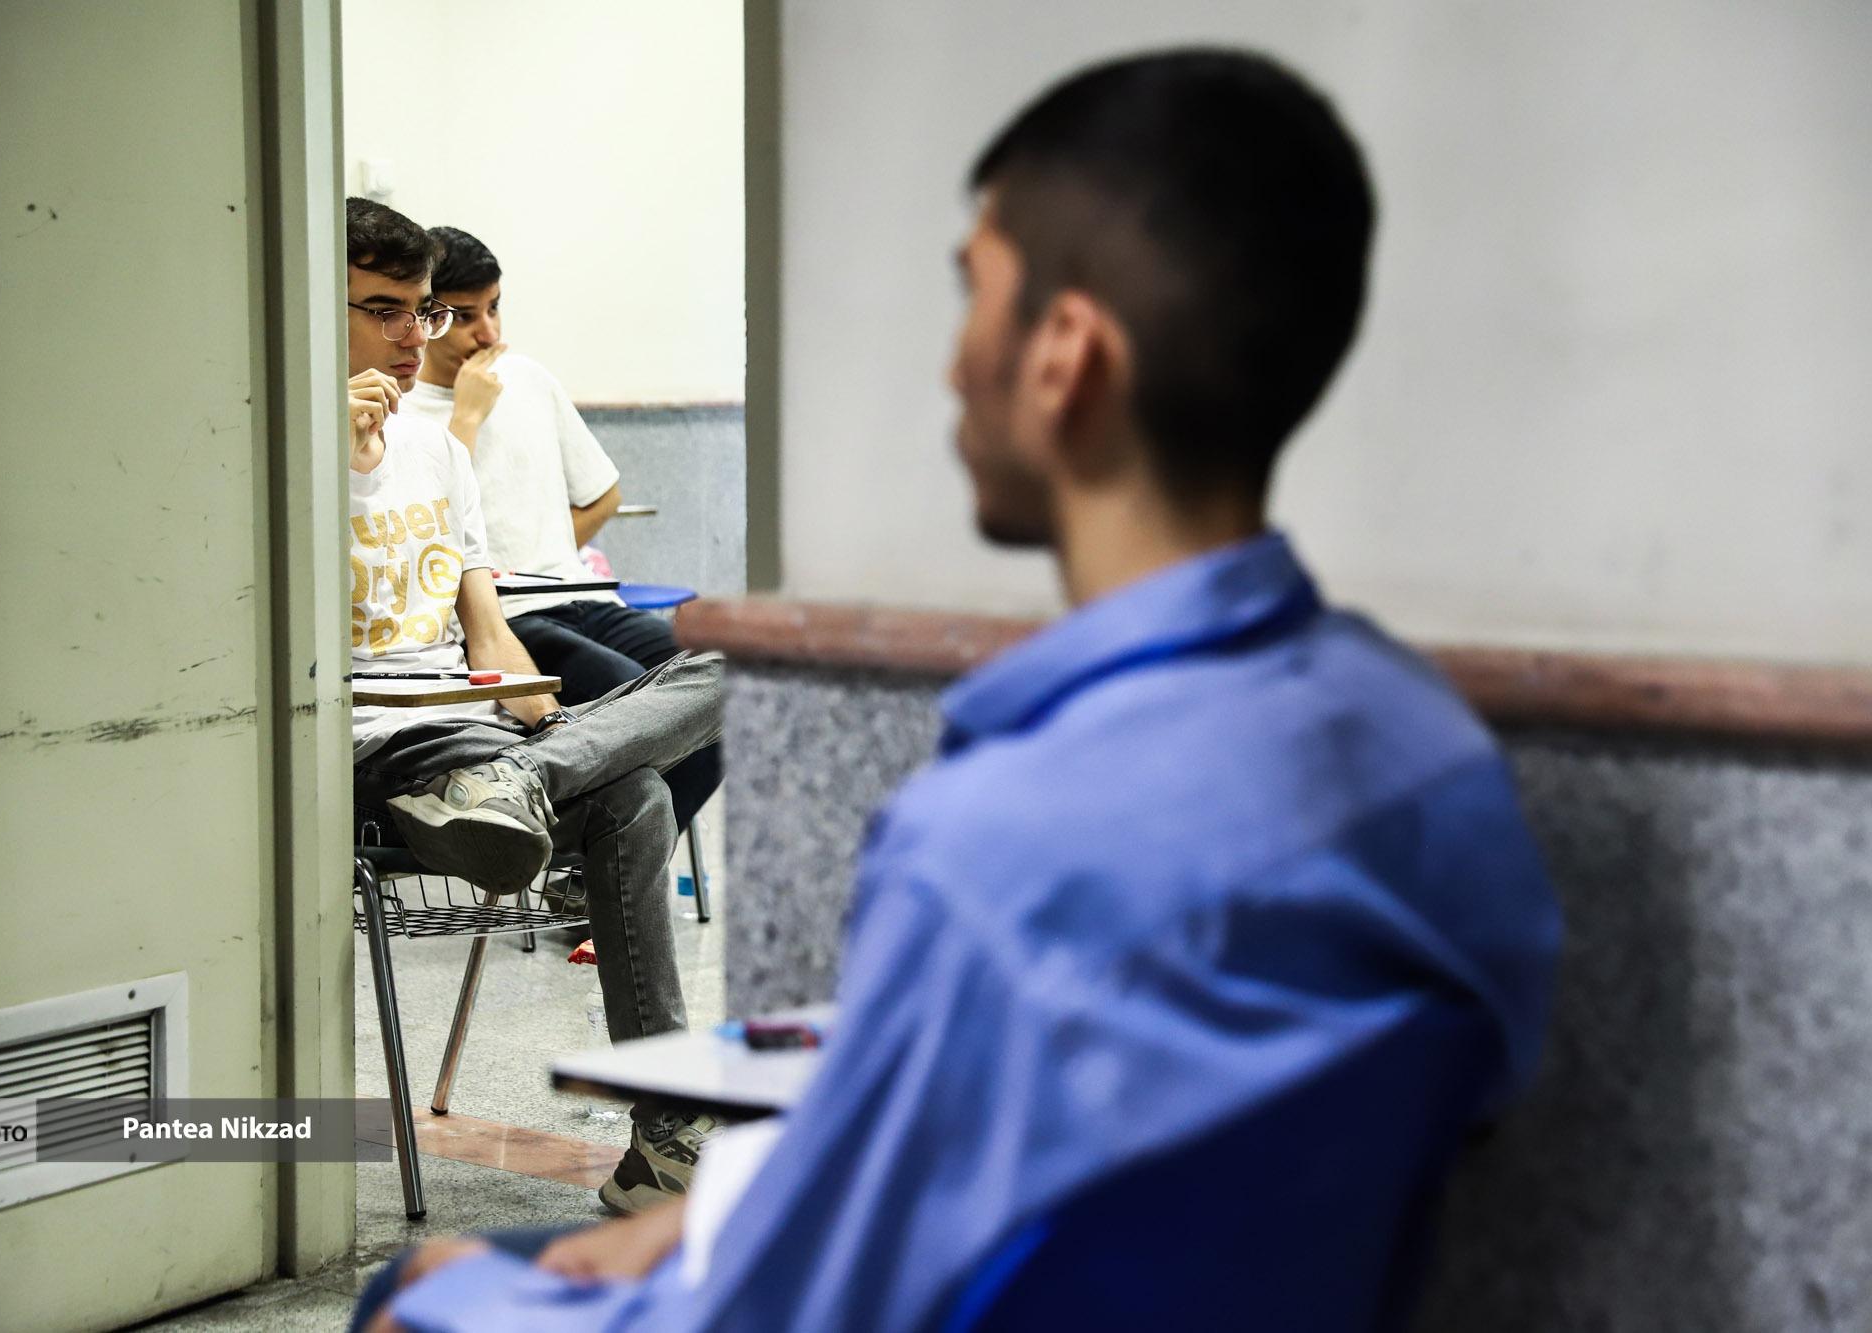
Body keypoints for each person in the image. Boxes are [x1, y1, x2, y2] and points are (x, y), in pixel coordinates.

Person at [356, 48, 1562, 1332]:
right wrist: (726, 1220)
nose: (950, 366)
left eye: (973, 297)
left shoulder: (997, 841)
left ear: (1066, 357)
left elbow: (822, 1304)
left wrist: (476, 1297)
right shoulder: (1433, 756)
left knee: (420, 1291)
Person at [343, 196, 723, 1215]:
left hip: (476, 739)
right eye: (383, 310)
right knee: (636, 791)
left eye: (422, 310)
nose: (412, 335)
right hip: (373, 751)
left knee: (738, 674)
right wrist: (322, 460)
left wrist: (544, 717)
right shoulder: (274, 458)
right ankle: (669, 1138)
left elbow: (487, 633)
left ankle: (660, 1145)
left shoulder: (438, 452)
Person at [397, 225, 722, 832]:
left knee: (724, 697)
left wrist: (540, 548)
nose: (488, 333)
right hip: (507, 617)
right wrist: (467, 415)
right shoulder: (405, 408)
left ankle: (606, 867)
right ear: (429, 317)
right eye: (465, 316)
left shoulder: (529, 379)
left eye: (495, 308)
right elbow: (429, 525)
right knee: (639, 707)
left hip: (582, 596)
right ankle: (594, 865)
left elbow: (604, 495)